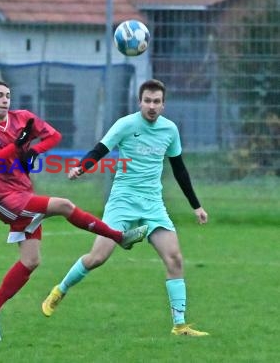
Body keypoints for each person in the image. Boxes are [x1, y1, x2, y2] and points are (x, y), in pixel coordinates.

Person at [0, 80, 148, 342]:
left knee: (31, 261)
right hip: (4, 197)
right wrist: (17, 147)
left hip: (23, 191)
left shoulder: (23, 118)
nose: (5, 100)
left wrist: (33, 151)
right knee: (64, 205)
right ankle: (119, 237)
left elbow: (54, 135)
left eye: (8, 95)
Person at [41, 79, 209, 337]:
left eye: (156, 101)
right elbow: (100, 150)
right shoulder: (126, 124)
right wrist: (81, 168)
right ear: (139, 102)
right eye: (147, 101)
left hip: (153, 204)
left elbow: (179, 169)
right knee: (98, 257)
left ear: (163, 105)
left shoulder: (169, 130)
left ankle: (179, 325)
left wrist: (196, 206)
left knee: (174, 258)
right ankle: (59, 290)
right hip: (123, 201)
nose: (151, 106)